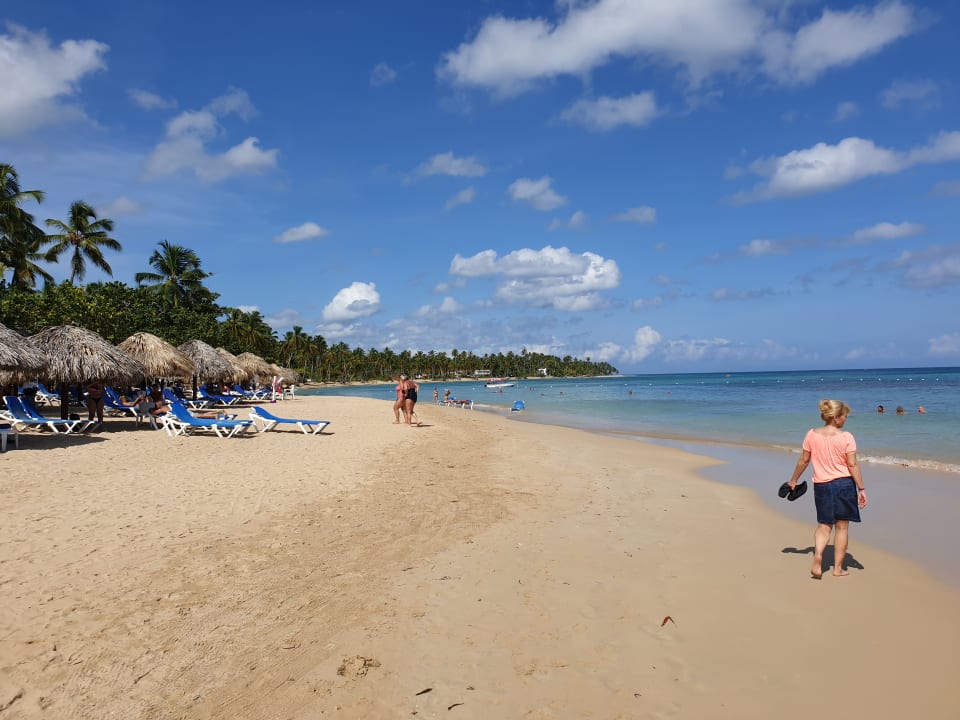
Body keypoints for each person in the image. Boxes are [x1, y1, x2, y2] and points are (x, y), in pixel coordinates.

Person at [786, 399, 867, 579]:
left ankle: (818, 555)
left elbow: (804, 460)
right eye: (845, 416)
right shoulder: (847, 437)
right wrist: (861, 488)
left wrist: (793, 480)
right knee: (842, 527)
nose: (846, 419)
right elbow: (852, 464)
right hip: (844, 485)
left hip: (821, 485)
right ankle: (837, 569)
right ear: (836, 417)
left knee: (824, 526)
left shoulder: (811, 434)